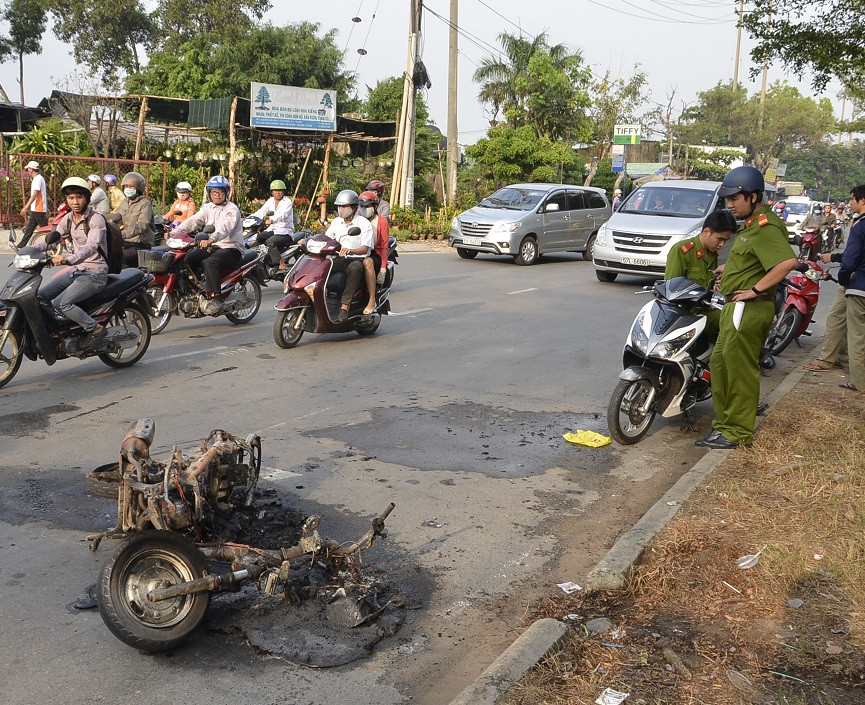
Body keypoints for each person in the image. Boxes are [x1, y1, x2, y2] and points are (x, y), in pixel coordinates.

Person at [695, 166, 798, 449]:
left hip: (749, 309)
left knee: (739, 370)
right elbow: (755, 260)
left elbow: (787, 262)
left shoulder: (766, 225)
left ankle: (738, 431)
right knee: (721, 365)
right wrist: (731, 269)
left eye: (735, 199)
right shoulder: (750, 226)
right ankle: (725, 425)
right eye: (727, 199)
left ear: (753, 197)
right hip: (733, 307)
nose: (730, 205)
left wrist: (755, 289)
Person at [34, 177, 108, 338]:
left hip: (95, 273)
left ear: (87, 198)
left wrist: (69, 259)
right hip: (77, 270)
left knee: (61, 303)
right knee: (40, 296)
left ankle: (95, 328)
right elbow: (53, 241)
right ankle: (61, 328)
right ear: (67, 200)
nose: (75, 202)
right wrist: (28, 250)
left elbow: (92, 246)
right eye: (71, 198)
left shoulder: (96, 219)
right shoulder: (68, 219)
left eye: (79, 197)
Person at [174, 175, 244, 314]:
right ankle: (199, 286)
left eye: (220, 192)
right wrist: (175, 231)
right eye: (213, 192)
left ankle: (217, 298)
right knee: (188, 258)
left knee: (210, 263)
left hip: (231, 248)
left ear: (226, 193)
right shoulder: (208, 208)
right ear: (209, 193)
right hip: (214, 247)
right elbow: (194, 221)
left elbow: (225, 228)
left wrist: (211, 239)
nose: (217, 195)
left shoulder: (232, 209)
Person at [665, 209, 737, 342]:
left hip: (705, 308)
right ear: (706, 232)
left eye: (725, 240)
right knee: (728, 322)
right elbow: (671, 290)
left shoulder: (711, 253)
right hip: (687, 313)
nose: (722, 244)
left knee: (735, 316)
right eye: (720, 239)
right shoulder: (682, 251)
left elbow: (707, 284)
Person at [322, 189, 374, 321]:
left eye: (344, 206)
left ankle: (345, 306)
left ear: (354, 207)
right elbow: (326, 238)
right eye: (339, 206)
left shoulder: (363, 224)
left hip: (356, 259)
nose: (341, 209)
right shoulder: (336, 222)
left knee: (355, 268)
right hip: (339, 258)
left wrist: (350, 250)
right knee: (322, 266)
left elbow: (365, 248)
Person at [834, 185, 865, 392]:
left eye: (852, 199)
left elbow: (849, 260)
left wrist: (843, 278)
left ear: (862, 201)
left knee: (857, 337)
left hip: (859, 288)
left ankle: (859, 383)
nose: (851, 203)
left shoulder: (860, 226)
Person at [357, 190, 389, 315]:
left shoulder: (381, 222)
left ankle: (371, 300)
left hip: (372, 255)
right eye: (362, 206)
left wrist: (383, 268)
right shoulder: (357, 220)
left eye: (368, 206)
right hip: (356, 253)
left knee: (367, 262)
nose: (365, 209)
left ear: (375, 207)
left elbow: (383, 247)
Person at [252, 179, 295, 271]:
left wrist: (271, 220)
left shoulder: (287, 202)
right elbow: (261, 212)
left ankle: (281, 264)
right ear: (272, 192)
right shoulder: (270, 201)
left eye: (280, 191)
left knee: (270, 242)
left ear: (283, 192)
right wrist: (250, 218)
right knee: (258, 238)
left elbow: (282, 215)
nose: (278, 193)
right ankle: (262, 260)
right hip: (272, 230)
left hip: (285, 231)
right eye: (275, 191)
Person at [116, 171, 156, 267]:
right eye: (126, 186)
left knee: (121, 258)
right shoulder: (125, 202)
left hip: (140, 246)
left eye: (131, 187)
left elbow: (142, 226)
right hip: (125, 243)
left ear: (138, 188)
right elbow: (117, 218)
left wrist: (122, 234)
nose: (128, 189)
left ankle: (127, 280)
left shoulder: (145, 203)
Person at [17, 160, 48, 248]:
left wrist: (25, 207)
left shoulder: (37, 179)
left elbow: (35, 194)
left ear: (31, 169)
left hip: (39, 208)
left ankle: (54, 245)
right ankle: (20, 246)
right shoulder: (39, 178)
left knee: (45, 230)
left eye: (28, 169)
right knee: (29, 229)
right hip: (36, 209)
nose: (28, 171)